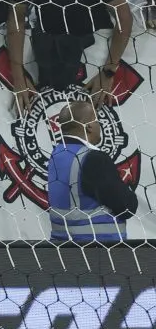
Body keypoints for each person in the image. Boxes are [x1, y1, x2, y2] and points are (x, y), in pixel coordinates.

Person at [48, 101, 138, 243]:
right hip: (98, 249)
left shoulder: (56, 154)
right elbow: (126, 206)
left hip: (62, 246)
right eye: (96, 120)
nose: (99, 125)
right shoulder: (93, 158)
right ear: (89, 126)